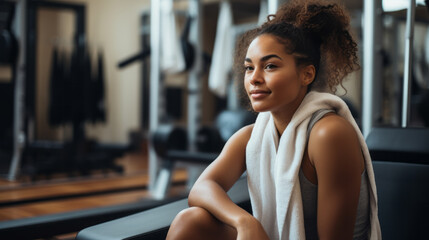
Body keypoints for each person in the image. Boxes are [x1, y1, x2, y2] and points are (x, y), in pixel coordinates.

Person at [166, 0, 381, 239]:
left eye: (269, 66)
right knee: (189, 221)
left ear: (306, 74)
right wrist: (245, 222)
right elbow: (201, 188)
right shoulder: (251, 137)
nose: (254, 78)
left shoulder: (328, 133)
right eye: (249, 68)